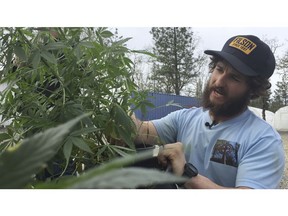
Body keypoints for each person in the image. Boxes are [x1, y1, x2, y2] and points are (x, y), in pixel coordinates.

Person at [132, 35, 285, 189]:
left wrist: (187, 175)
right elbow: (141, 131)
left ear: (253, 90)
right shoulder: (186, 118)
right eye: (219, 69)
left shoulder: (263, 140)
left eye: (234, 77)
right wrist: (116, 115)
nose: (219, 81)